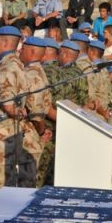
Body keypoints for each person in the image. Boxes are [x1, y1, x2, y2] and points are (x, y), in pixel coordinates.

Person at [0, 26, 33, 194]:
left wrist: (16, 112)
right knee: (9, 178)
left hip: (2, 130)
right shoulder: (18, 64)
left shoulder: (7, 66)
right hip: (13, 130)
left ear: (5, 42)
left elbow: (8, 105)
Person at [36, 40, 88, 187]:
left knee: (42, 167)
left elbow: (40, 100)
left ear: (63, 53)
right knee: (56, 168)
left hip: (46, 127)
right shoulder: (81, 75)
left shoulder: (48, 71)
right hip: (66, 127)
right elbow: (83, 104)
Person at [19, 36, 54, 180]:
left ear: (31, 51)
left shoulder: (32, 75)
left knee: (25, 181)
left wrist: (42, 131)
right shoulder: (39, 71)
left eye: (23, 49)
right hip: (30, 134)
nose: (20, 51)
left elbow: (36, 113)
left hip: (29, 136)